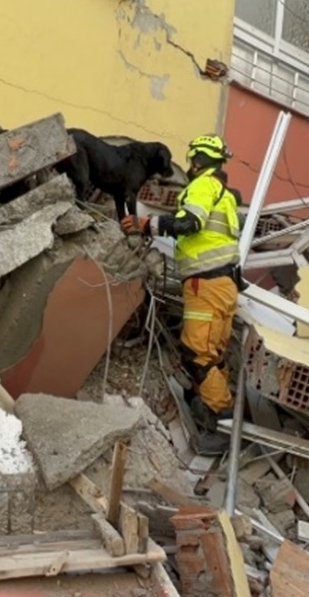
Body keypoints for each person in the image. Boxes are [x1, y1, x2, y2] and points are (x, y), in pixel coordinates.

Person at [121, 134, 241, 454]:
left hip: (207, 284)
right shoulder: (225, 194)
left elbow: (189, 223)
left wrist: (146, 224)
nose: (189, 167)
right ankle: (212, 407)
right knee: (213, 354)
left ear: (198, 161)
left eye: (191, 161)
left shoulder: (203, 186)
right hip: (224, 285)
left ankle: (222, 424)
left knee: (196, 354)